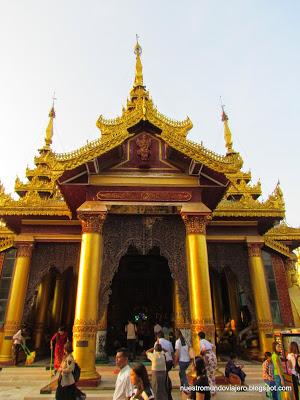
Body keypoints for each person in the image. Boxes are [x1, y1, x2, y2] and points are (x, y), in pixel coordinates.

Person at [156, 331, 174, 400]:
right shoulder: (169, 342)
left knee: (164, 375)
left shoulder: (157, 343)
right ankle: (167, 387)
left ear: (157, 336)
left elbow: (156, 354)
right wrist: (174, 362)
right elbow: (172, 352)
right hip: (169, 361)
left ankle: (165, 388)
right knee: (166, 375)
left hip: (162, 362)